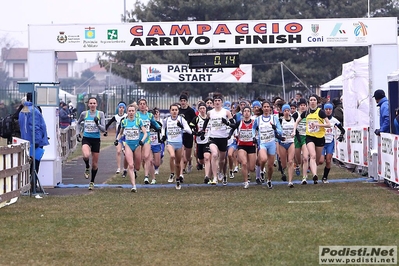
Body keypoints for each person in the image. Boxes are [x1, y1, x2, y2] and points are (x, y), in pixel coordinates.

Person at [293, 94, 331, 185]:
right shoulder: (306, 112)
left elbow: (329, 124)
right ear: (309, 102)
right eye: (311, 100)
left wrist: (318, 125)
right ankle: (314, 175)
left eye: (314, 100)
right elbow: (297, 122)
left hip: (320, 138)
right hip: (310, 137)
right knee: (312, 156)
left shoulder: (320, 112)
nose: (312, 101)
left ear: (317, 102)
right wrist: (294, 131)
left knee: (317, 160)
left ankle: (314, 175)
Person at [200, 92, 234, 185]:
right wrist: (203, 131)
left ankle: (220, 172)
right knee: (214, 155)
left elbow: (233, 124)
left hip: (223, 138)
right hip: (213, 138)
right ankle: (214, 178)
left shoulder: (226, 112)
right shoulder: (210, 113)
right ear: (213, 102)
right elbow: (205, 122)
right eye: (215, 101)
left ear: (222, 102)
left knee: (222, 160)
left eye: (219, 101)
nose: (217, 102)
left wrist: (227, 123)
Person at [19, 93, 49, 193]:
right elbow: (35, 127)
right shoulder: (34, 110)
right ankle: (33, 187)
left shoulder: (23, 110)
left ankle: (28, 186)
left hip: (26, 140)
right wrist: (37, 141)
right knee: (35, 165)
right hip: (34, 143)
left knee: (28, 165)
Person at [76, 97, 106, 190]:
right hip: (86, 138)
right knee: (85, 155)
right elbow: (78, 123)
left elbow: (104, 129)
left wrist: (97, 123)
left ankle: (92, 181)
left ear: (96, 104)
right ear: (88, 104)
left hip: (96, 139)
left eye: (94, 103)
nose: (92, 105)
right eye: (91, 103)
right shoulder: (84, 114)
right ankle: (86, 166)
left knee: (95, 164)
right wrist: (77, 133)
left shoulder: (100, 114)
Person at [115, 104, 147, 192]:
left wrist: (142, 140)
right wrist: (117, 140)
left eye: (133, 111)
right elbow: (121, 133)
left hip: (137, 145)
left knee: (137, 167)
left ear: (135, 112)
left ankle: (135, 172)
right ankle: (133, 186)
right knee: (131, 165)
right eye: (129, 111)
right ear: (127, 112)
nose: (131, 113)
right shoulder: (124, 122)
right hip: (128, 145)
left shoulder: (138, 121)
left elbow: (145, 133)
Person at [252, 100, 284, 189]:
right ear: (262, 108)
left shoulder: (274, 118)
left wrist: (275, 128)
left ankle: (269, 180)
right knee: (263, 159)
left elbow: (280, 131)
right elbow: (253, 128)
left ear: (270, 108)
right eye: (264, 107)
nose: (266, 108)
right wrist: (253, 136)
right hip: (262, 143)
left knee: (270, 166)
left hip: (272, 143)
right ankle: (261, 170)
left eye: (268, 107)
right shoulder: (258, 119)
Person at [162, 103, 192, 190]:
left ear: (178, 111)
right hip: (170, 142)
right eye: (173, 110)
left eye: (176, 110)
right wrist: (163, 135)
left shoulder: (181, 119)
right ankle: (172, 173)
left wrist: (181, 127)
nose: (174, 112)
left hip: (179, 144)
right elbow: (163, 128)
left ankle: (178, 179)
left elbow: (189, 131)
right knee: (172, 156)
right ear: (170, 111)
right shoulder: (167, 120)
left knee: (178, 164)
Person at [229, 106, 256, 189]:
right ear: (243, 113)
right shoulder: (239, 122)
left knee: (251, 168)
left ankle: (248, 172)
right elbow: (233, 128)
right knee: (244, 163)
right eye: (245, 111)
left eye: (248, 111)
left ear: (250, 113)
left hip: (251, 146)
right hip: (242, 145)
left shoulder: (254, 122)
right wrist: (229, 135)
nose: (247, 113)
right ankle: (245, 181)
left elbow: (260, 131)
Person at [318, 103, 345, 183]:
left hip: (330, 142)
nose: (328, 111)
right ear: (324, 110)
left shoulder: (334, 120)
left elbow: (342, 130)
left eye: (330, 109)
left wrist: (341, 136)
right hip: (321, 142)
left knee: (328, 160)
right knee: (321, 161)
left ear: (332, 110)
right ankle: (312, 165)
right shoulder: (320, 119)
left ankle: (325, 177)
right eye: (326, 109)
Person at [137, 98, 161, 184]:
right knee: (142, 161)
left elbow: (154, 123)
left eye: (144, 104)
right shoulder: (136, 115)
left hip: (147, 138)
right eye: (141, 104)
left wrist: (159, 128)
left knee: (147, 157)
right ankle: (153, 177)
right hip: (137, 139)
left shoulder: (149, 115)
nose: (142, 105)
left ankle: (146, 177)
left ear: (146, 106)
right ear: (138, 106)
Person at [105, 102, 128, 174]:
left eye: (123, 108)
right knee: (118, 151)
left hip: (126, 136)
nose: (121, 109)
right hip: (119, 136)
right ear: (118, 108)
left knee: (126, 153)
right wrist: (105, 131)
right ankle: (118, 168)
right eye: (120, 107)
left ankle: (125, 168)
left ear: (124, 109)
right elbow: (108, 124)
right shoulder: (115, 117)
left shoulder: (126, 116)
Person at [178, 92, 196, 175]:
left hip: (188, 134)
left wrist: (191, 127)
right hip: (180, 134)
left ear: (187, 101)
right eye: (181, 100)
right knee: (182, 155)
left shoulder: (190, 110)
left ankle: (190, 161)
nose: (183, 102)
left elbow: (195, 120)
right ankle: (183, 169)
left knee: (187, 156)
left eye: (184, 100)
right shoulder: (178, 110)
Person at [278, 104, 295, 188]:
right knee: (284, 163)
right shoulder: (280, 121)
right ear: (282, 112)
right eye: (285, 111)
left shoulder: (293, 119)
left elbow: (296, 130)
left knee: (291, 161)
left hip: (291, 142)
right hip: (282, 143)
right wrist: (280, 137)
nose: (286, 112)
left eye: (288, 110)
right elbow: (276, 132)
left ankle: (290, 181)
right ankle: (283, 171)